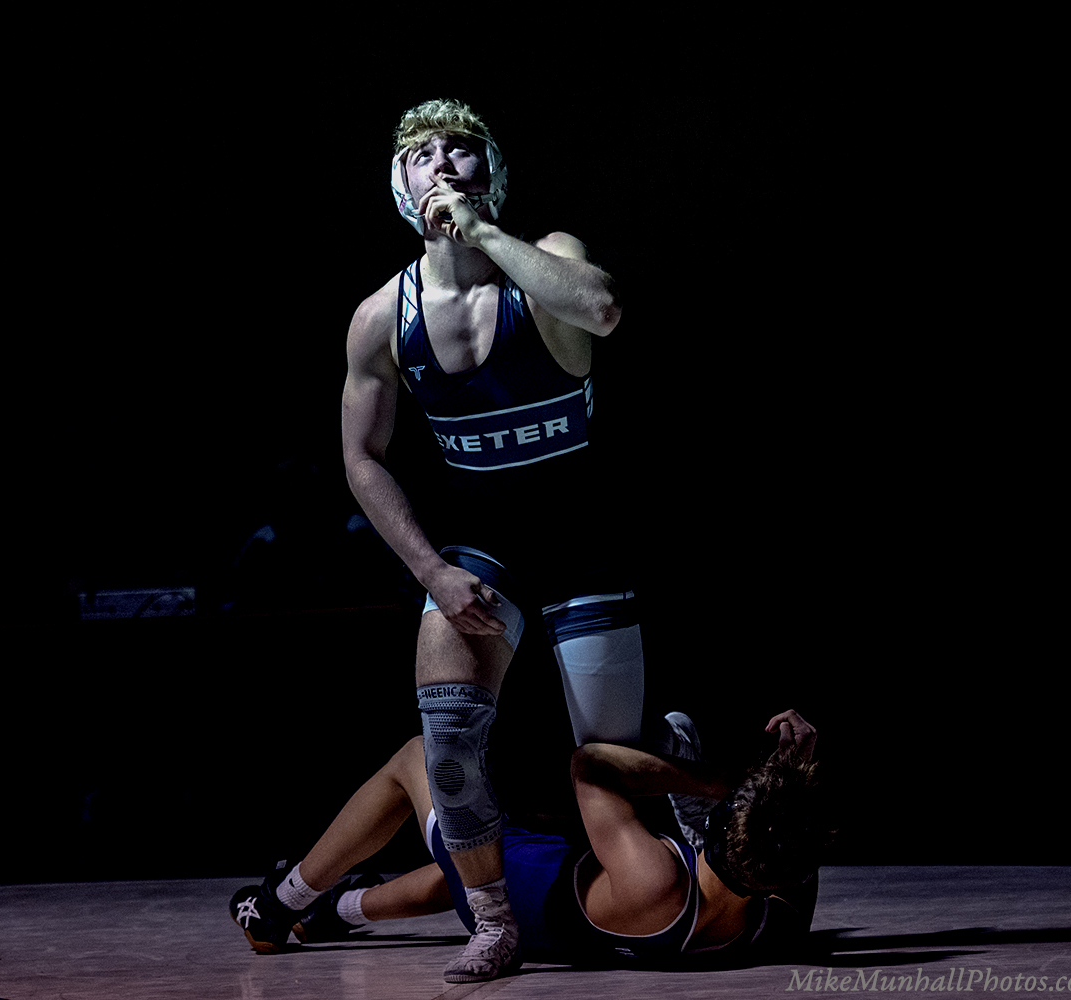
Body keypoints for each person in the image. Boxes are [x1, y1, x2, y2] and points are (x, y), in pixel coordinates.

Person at [340, 98, 642, 980]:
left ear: (493, 173)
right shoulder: (380, 317)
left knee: (609, 764)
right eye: (421, 154)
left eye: (461, 150)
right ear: (399, 187)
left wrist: (478, 231)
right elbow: (360, 458)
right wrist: (430, 569)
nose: (441, 163)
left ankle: (639, 870)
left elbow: (602, 309)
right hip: (482, 543)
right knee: (449, 741)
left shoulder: (549, 257)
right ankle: (494, 922)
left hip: (582, 536)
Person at [229, 710, 834, 977]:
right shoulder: (777, 919)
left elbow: (589, 764)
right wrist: (789, 777)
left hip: (507, 891)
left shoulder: (658, 880)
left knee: (423, 756)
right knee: (454, 868)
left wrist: (721, 780)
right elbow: (792, 839)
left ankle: (279, 904)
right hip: (557, 899)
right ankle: (334, 912)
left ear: (721, 825)